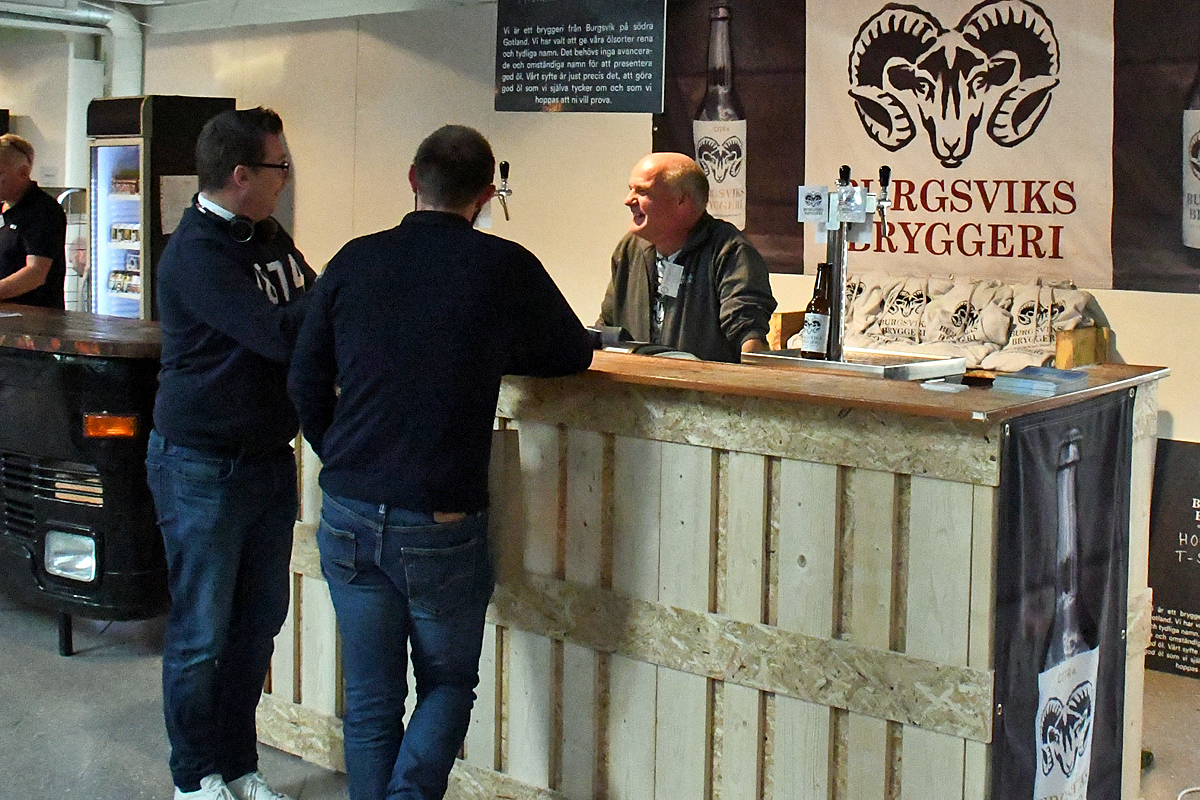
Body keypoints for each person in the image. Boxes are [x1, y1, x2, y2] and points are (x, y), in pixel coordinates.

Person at [288, 124, 594, 800]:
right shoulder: (503, 265)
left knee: (370, 699)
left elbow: (304, 376)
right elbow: (573, 351)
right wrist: (490, 349)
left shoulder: (354, 259)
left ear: (411, 180)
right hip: (440, 514)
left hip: (347, 506)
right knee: (449, 683)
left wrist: (338, 451)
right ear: (486, 194)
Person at [145, 107, 316, 800]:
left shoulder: (269, 237)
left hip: (267, 460)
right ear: (241, 175)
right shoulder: (196, 253)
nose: (286, 179)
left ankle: (239, 765)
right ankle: (194, 777)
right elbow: (278, 332)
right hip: (201, 467)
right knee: (200, 636)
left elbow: (310, 307)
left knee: (256, 627)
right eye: (279, 167)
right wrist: (347, 288)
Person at [599, 151, 777, 362]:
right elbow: (608, 327)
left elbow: (748, 335)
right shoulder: (629, 249)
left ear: (681, 200)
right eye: (630, 189)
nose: (628, 200)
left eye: (642, 191)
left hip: (703, 383)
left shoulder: (729, 251)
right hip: (639, 382)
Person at [0, 134, 67, 308]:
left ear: (23, 173)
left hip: (35, 319)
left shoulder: (44, 210)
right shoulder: (4, 207)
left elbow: (36, 273)